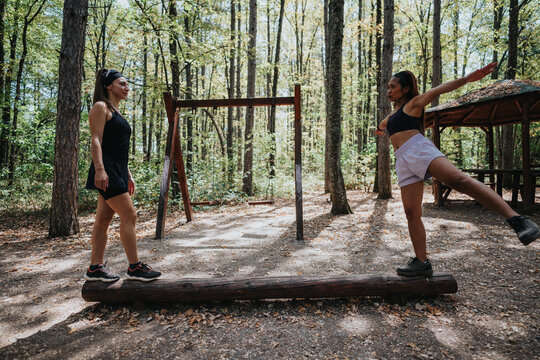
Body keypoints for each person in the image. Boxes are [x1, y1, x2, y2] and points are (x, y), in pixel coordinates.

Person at [375, 62, 539, 277]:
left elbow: (438, 90)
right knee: (411, 212)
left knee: (458, 180)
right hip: (403, 160)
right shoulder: (394, 113)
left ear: (405, 89)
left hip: (418, 149)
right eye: (388, 87)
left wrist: (466, 79)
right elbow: (385, 123)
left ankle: (517, 219)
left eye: (393, 87)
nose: (389, 91)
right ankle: (422, 262)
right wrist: (380, 129)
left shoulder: (414, 103)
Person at [84, 68, 161, 282]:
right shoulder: (101, 107)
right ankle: (135, 268)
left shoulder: (117, 112)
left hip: (117, 170)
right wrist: (100, 169)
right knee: (130, 214)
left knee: (103, 219)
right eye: (122, 84)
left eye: (127, 85)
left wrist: (128, 173)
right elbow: (96, 140)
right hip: (106, 170)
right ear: (109, 86)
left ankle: (94, 269)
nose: (127, 88)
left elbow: (118, 148)